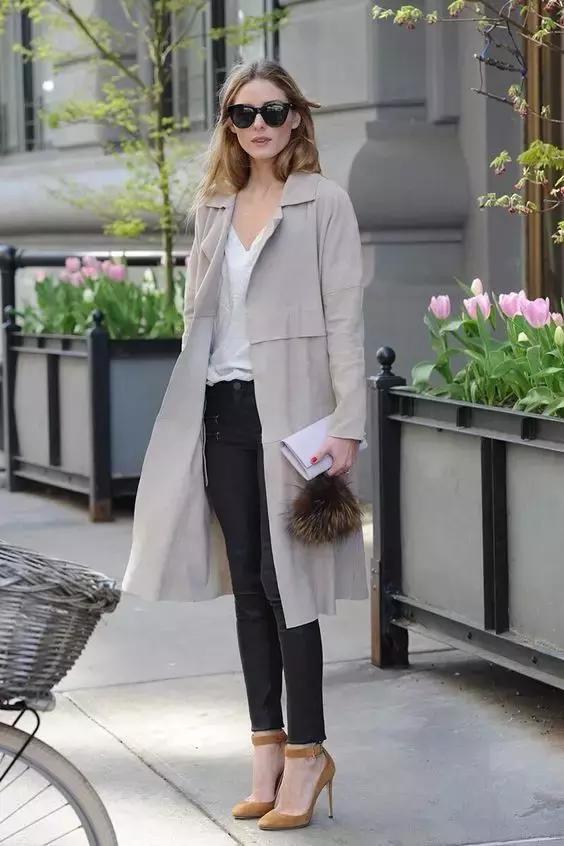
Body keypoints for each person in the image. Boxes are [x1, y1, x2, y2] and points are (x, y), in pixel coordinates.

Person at [122, 58, 369, 831]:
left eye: (273, 111)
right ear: (228, 125)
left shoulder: (324, 202)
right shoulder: (215, 206)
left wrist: (348, 423)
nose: (259, 125)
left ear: (297, 118)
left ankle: (308, 752)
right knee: (251, 588)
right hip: (223, 413)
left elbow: (345, 319)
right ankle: (267, 752)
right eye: (242, 114)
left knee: (286, 581)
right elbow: (199, 318)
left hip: (293, 419)